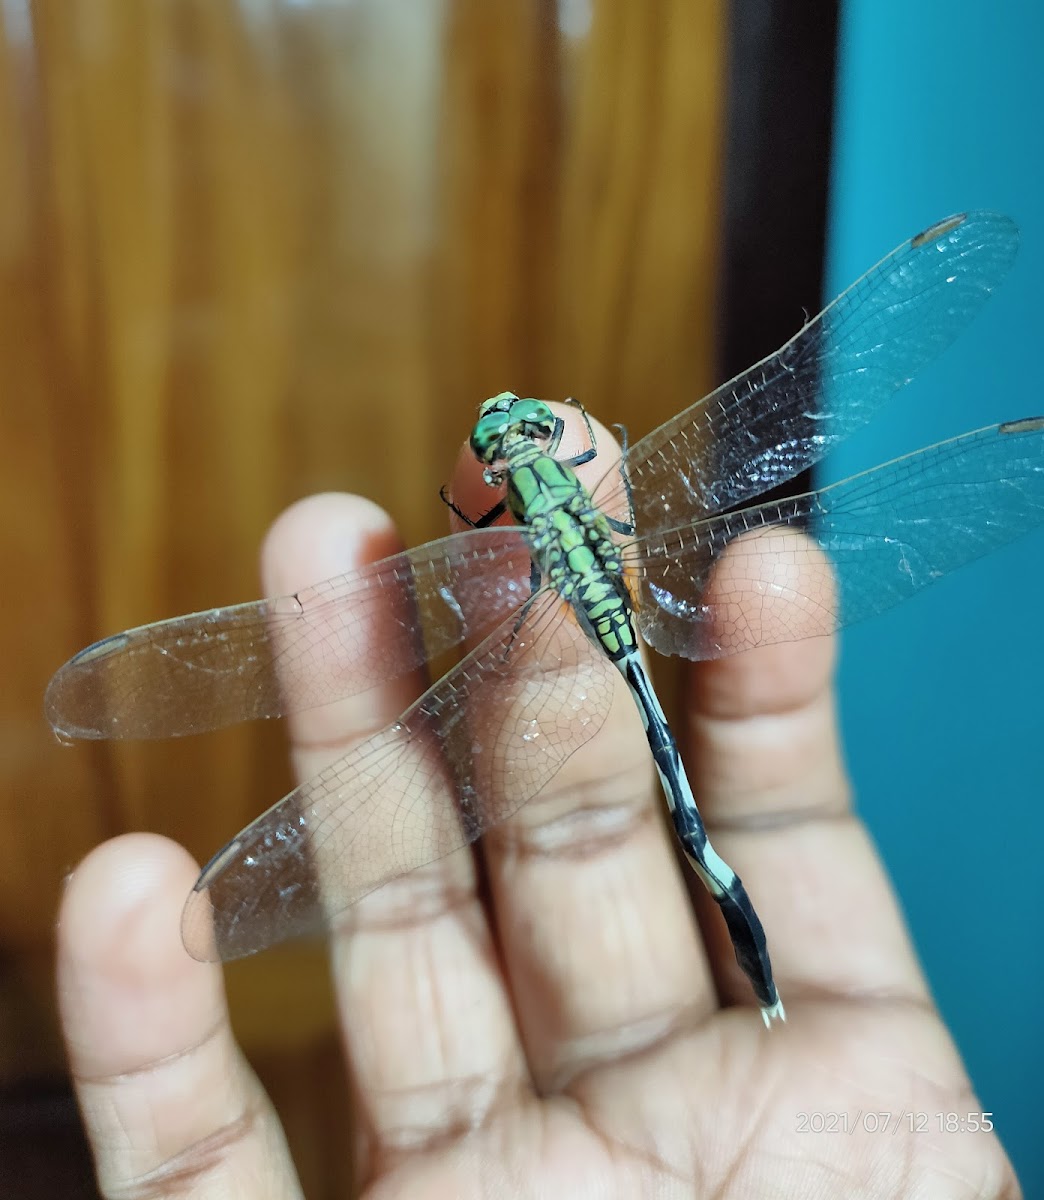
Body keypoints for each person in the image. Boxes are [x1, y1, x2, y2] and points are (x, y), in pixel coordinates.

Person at [56, 410, 1021, 1197]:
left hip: (571, 614)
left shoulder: (513, 534)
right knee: (673, 786)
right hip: (601, 614)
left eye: (518, 439)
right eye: (508, 442)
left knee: (675, 770)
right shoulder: (566, 500)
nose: (514, 438)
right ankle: (737, 917)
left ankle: (743, 933)